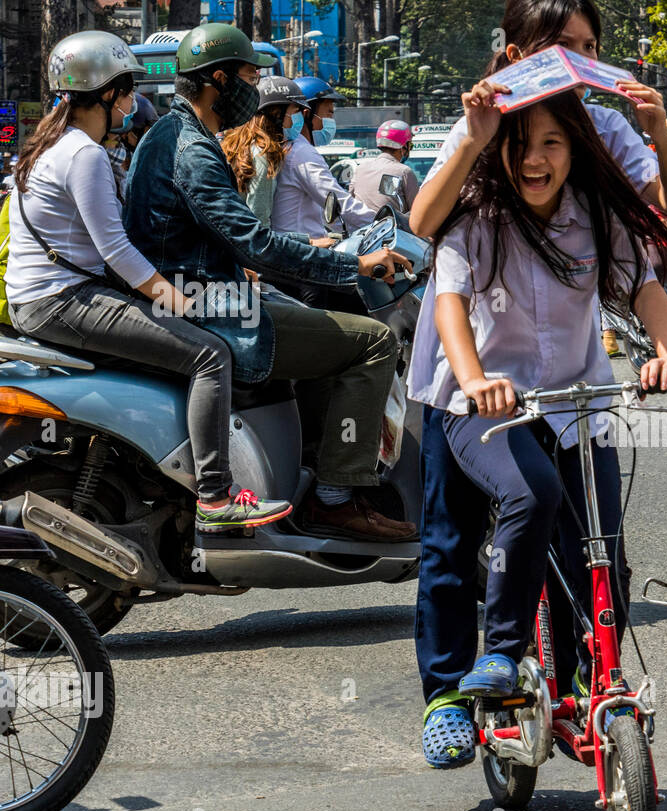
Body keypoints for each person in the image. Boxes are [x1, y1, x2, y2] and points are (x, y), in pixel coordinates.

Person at [406, 0, 667, 767]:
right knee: (453, 542)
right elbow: (429, 234)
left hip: (574, 401)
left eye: (589, 47)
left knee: (597, 549)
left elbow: (653, 262)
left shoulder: (600, 180)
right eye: (561, 46)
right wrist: (475, 139)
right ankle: (454, 691)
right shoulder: (480, 163)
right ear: (517, 49)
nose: (578, 59)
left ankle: (580, 687)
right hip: (473, 395)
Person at [123, 22, 417, 542]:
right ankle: (336, 497)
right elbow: (253, 241)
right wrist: (354, 265)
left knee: (328, 332)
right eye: (249, 76)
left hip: (205, 290)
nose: (255, 90)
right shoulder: (192, 149)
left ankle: (309, 470)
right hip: (211, 305)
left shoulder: (169, 136)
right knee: (373, 341)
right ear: (219, 79)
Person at [6, 30, 293, 533]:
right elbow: (115, 249)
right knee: (209, 353)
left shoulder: (51, 145)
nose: (133, 101)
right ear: (109, 92)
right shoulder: (85, 155)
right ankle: (215, 496)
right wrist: (176, 300)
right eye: (128, 89)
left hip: (42, 297)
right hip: (65, 300)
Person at [270, 76, 376, 311]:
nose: (330, 122)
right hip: (303, 262)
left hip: (294, 256)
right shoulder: (300, 152)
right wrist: (383, 223)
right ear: (306, 114)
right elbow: (339, 201)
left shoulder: (289, 147)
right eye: (327, 114)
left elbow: (332, 209)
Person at [222, 75, 311, 230]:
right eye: (295, 111)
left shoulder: (239, 145)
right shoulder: (263, 155)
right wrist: (308, 242)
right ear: (276, 113)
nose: (299, 118)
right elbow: (258, 227)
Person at [351, 120, 420, 214]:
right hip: (390, 227)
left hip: (359, 226)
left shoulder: (360, 169)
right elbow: (417, 210)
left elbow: (350, 199)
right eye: (410, 145)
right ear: (403, 146)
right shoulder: (403, 171)